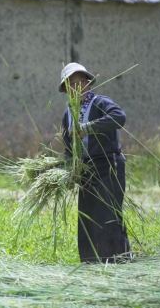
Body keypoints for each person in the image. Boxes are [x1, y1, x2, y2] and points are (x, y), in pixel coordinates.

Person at [59, 62, 131, 263]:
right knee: (88, 219)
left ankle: (119, 261)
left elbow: (119, 117)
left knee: (108, 217)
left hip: (108, 166)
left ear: (87, 83)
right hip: (86, 171)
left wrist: (88, 127)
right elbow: (68, 147)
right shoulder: (68, 114)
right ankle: (91, 264)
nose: (75, 88)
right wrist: (69, 170)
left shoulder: (100, 103)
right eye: (69, 86)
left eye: (78, 83)